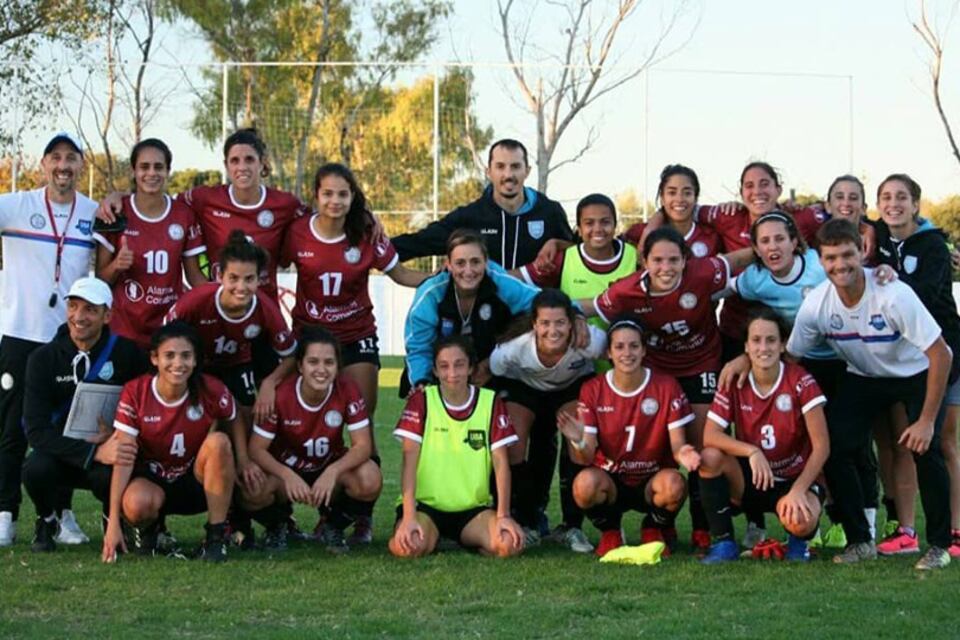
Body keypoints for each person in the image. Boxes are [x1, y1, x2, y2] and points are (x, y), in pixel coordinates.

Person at [787, 218, 953, 569]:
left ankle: (938, 545)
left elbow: (941, 353)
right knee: (834, 446)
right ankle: (860, 540)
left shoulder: (893, 294)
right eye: (830, 258)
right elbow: (791, 358)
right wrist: (745, 364)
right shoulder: (817, 304)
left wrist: (925, 421)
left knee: (927, 447)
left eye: (847, 255)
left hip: (914, 373)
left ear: (861, 252)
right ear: (820, 260)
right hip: (864, 376)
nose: (840, 265)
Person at [579, 227, 752, 549]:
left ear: (686, 261)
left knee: (703, 450)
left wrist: (787, 253)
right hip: (658, 375)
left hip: (702, 366)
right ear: (643, 261)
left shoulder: (702, 272)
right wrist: (568, 314)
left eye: (674, 260)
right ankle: (657, 521)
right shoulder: (626, 291)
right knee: (659, 449)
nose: (666, 268)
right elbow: (591, 307)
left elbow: (739, 257)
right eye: (657, 260)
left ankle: (704, 529)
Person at [164, 230, 297, 544]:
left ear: (259, 279)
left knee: (249, 425)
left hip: (238, 369)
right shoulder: (196, 301)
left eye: (249, 279)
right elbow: (164, 342)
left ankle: (248, 518)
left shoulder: (264, 307)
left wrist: (269, 383)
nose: (241, 287)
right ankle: (169, 515)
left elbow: (291, 355)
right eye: (234, 278)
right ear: (219, 275)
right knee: (197, 434)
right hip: (196, 370)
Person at [0, 133, 99, 547]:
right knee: (10, 432)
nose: (63, 166)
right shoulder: (16, 205)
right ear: (43, 165)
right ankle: (5, 515)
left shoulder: (93, 212)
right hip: (19, 335)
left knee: (67, 433)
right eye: (55, 158)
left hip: (67, 342)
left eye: (71, 159)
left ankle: (61, 516)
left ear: (81, 167)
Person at [99, 128, 308, 303]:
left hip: (264, 313)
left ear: (262, 163)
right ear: (226, 165)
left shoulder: (285, 204)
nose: (242, 167)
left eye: (249, 160)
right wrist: (119, 196)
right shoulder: (205, 198)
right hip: (220, 310)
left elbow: (317, 223)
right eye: (235, 161)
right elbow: (154, 199)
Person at [20, 277, 149, 552]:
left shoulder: (127, 353)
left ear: (107, 315)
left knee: (115, 467)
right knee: (34, 469)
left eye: (90, 309)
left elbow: (145, 407)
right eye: (73, 306)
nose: (79, 316)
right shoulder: (42, 359)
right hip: (61, 452)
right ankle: (47, 519)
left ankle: (113, 521)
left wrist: (113, 438)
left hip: (107, 450)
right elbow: (35, 430)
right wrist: (91, 453)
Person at [871, 174, 960, 558]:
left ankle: (954, 531)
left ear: (915, 204)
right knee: (903, 441)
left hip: (945, 352)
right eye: (886, 197)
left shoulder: (933, 245)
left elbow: (923, 295)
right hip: (903, 360)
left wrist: (895, 279)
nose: (894, 204)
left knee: (942, 442)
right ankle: (906, 530)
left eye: (901, 197)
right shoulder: (877, 238)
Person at [558, 318, 700, 558]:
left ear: (644, 350)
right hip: (611, 481)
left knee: (674, 485)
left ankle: (653, 526)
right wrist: (578, 440)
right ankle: (610, 529)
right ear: (609, 353)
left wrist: (683, 452)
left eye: (634, 346)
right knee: (584, 485)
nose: (627, 353)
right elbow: (587, 455)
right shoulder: (593, 389)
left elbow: (677, 444)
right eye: (620, 347)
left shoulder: (666, 386)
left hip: (651, 480)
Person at [698, 307, 829, 564]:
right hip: (755, 478)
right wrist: (751, 451)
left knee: (800, 522)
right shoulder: (734, 381)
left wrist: (799, 490)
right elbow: (710, 436)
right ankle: (724, 543)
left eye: (771, 340)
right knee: (709, 458)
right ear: (746, 346)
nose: (763, 347)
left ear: (782, 345)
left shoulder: (800, 380)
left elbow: (822, 446)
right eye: (756, 340)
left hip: (794, 478)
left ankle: (797, 540)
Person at [102, 321, 239, 563]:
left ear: (196, 360)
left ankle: (215, 538)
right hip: (153, 481)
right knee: (136, 503)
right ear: (154, 358)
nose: (178, 364)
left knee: (219, 442)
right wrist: (113, 520)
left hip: (195, 482)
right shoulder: (136, 392)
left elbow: (235, 420)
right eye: (170, 355)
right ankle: (148, 531)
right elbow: (123, 456)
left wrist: (246, 461)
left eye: (186, 356)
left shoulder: (211, 389)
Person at [242, 327, 382, 553]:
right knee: (251, 488)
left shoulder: (347, 389)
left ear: (338, 367)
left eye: (329, 362)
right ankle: (278, 525)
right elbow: (256, 449)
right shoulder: (280, 395)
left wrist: (332, 472)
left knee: (370, 477)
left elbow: (363, 445)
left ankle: (332, 525)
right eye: (313, 362)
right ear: (300, 366)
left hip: (326, 469)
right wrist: (287, 475)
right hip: (285, 472)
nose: (321, 370)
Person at [489, 289, 606, 552]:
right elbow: (495, 374)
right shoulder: (514, 349)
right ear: (534, 324)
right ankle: (528, 522)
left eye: (560, 323)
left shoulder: (588, 340)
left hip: (571, 388)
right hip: (526, 389)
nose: (552, 331)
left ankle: (571, 526)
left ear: (572, 322)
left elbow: (617, 356)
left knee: (578, 440)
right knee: (513, 443)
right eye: (545, 323)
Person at [389, 336, 523, 558]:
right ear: (435, 370)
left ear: (471, 367)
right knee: (406, 547)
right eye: (444, 366)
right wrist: (409, 516)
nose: (452, 373)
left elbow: (501, 463)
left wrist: (503, 515)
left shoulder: (490, 402)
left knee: (509, 545)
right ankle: (433, 535)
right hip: (425, 508)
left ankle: (466, 538)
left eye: (459, 364)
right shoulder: (422, 401)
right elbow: (408, 462)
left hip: (472, 510)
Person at [94, 138, 208, 350]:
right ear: (133, 171)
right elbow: (100, 279)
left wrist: (221, 296)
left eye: (158, 167)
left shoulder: (183, 215)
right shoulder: (116, 213)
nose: (151, 173)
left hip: (169, 328)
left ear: (168, 171)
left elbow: (194, 277)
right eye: (144, 167)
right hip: (124, 330)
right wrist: (117, 265)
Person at [391, 139, 573, 269]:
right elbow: (421, 242)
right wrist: (375, 251)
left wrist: (557, 243)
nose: (508, 175)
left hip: (536, 316)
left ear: (527, 171)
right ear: (489, 172)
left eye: (516, 167)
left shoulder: (550, 212)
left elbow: (579, 252)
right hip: (487, 315)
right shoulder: (471, 216)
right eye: (500, 167)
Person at [403, 228, 540, 397]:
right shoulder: (431, 293)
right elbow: (418, 346)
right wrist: (421, 382)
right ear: (449, 265)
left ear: (486, 262)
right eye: (460, 263)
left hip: (493, 368)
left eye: (475, 262)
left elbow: (545, 304)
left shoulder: (501, 283)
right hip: (444, 371)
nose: (468, 271)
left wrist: (575, 315)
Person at [515, 193, 637, 358]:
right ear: (579, 228)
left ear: (615, 225)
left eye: (605, 222)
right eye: (589, 223)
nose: (598, 229)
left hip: (626, 359)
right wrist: (483, 268)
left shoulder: (635, 257)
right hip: (576, 366)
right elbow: (515, 279)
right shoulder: (563, 258)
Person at [623, 165, 723, 258]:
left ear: (696, 198)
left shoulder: (711, 236)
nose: (679, 199)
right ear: (662, 198)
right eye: (672, 193)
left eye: (687, 193)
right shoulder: (639, 233)